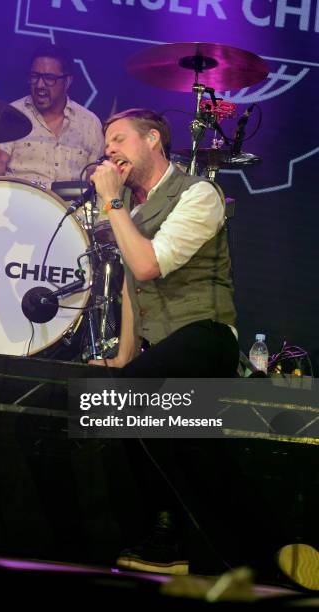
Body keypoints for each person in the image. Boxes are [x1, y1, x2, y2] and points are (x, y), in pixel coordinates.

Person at [88, 108, 239, 574]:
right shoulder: (133, 209)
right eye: (106, 143)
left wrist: (112, 204)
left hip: (208, 334)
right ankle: (149, 531)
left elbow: (150, 265)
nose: (109, 150)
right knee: (119, 392)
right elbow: (134, 287)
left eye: (118, 140)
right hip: (164, 348)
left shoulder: (199, 193)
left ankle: (169, 535)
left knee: (137, 391)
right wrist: (123, 355)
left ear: (153, 139)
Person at [0, 44, 104, 187]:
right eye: (34, 76)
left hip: (69, 207)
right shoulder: (10, 115)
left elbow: (94, 183)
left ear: (67, 81)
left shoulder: (90, 123)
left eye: (49, 78)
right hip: (20, 203)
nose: (40, 85)